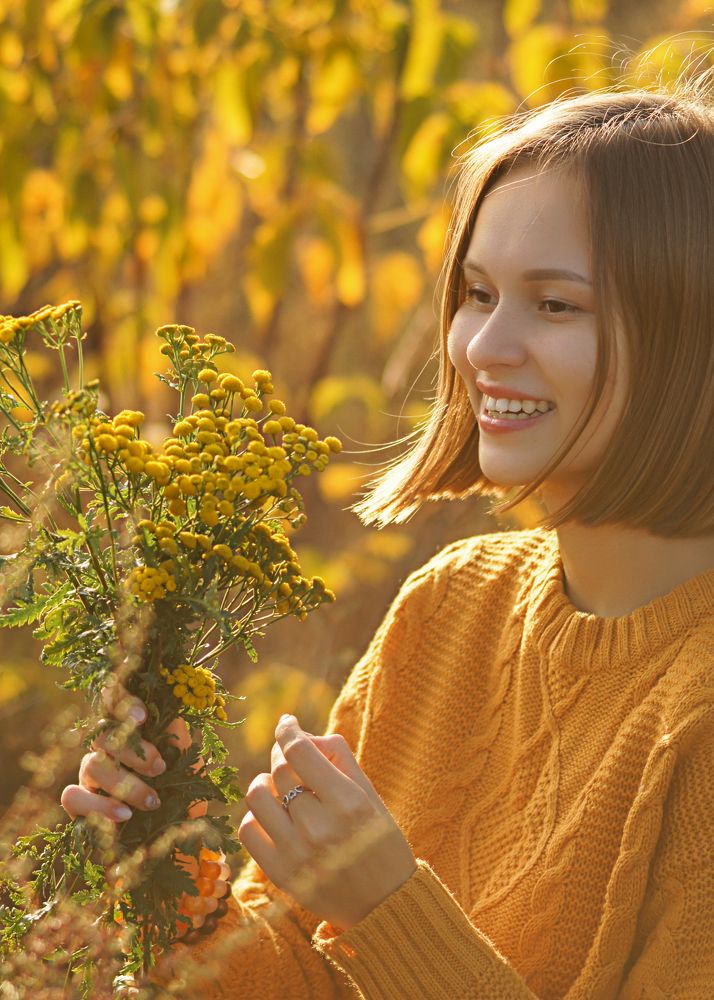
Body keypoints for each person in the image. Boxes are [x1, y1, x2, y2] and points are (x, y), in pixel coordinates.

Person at [61, 72, 714, 998]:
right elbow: (305, 983)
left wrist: (388, 905)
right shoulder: (452, 603)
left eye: (556, 304)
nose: (481, 347)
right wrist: (174, 881)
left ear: (693, 336)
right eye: (478, 293)